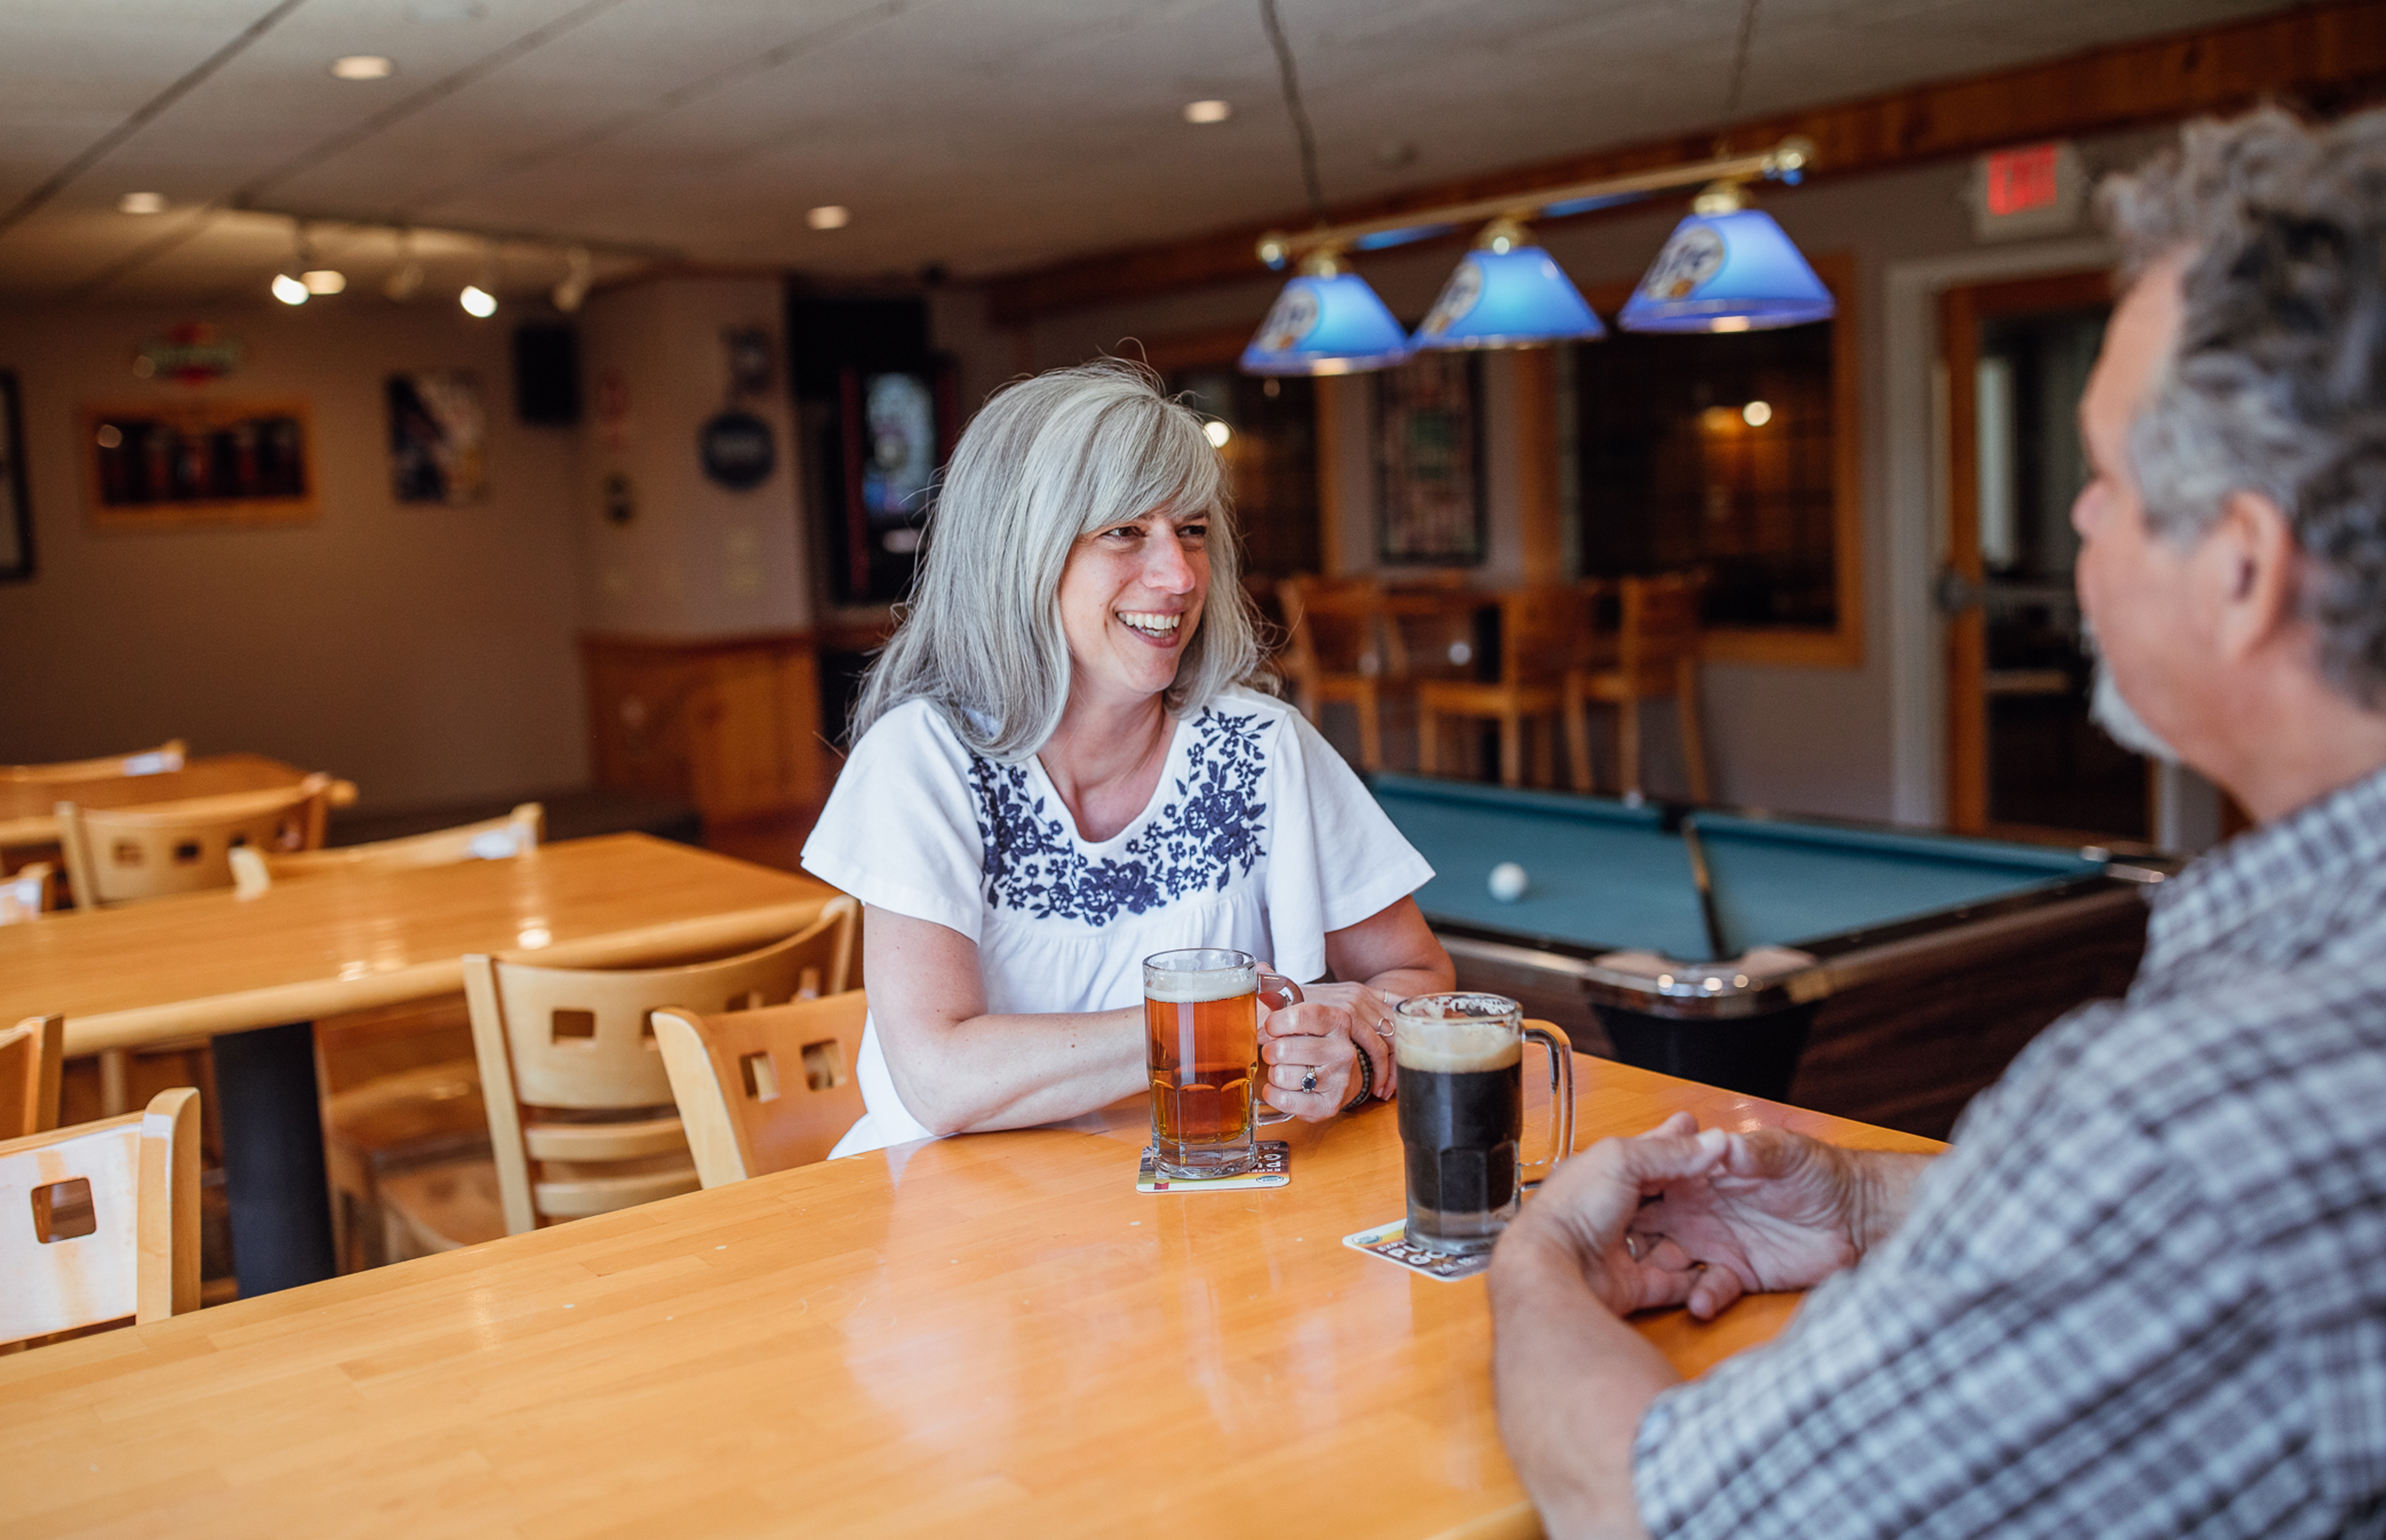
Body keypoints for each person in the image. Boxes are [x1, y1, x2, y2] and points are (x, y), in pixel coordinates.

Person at [1489, 107, 2386, 1540]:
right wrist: (1865, 1206)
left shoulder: (2197, 1112)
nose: (2079, 523)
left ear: (2242, 567)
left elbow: (1657, 1506)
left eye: (2101, 478)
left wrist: (1537, 1253)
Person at [802, 360, 1453, 1157]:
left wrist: (1351, 1053)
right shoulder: (926, 759)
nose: (1178, 576)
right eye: (1123, 533)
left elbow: (1416, 980)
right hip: (957, 1236)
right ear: (1021, 550)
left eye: (1192, 531)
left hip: (1208, 1221)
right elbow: (940, 1080)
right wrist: (1217, 1018)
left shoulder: (1262, 746)